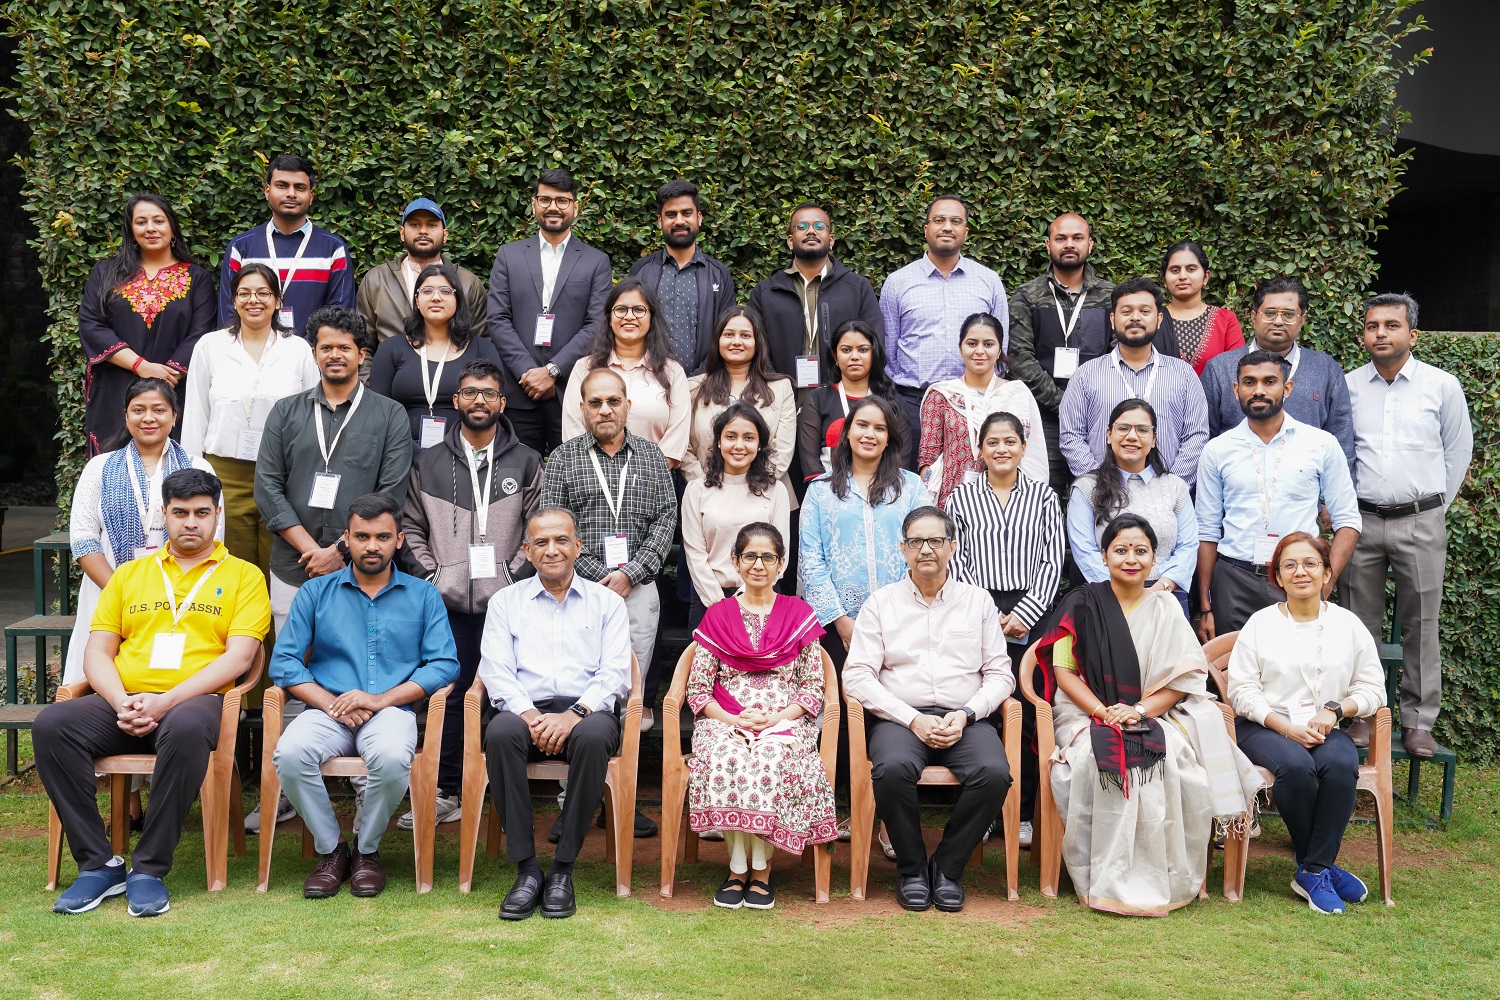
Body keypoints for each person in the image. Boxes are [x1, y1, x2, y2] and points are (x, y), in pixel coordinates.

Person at [36, 468, 270, 917]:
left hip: (197, 705)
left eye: (202, 513)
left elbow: (238, 660)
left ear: (217, 515)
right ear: (163, 514)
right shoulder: (129, 575)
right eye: (180, 513)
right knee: (52, 725)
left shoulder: (245, 577)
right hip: (125, 701)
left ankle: (147, 868)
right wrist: (121, 700)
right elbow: (97, 653)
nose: (190, 523)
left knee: (183, 728)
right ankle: (99, 864)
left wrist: (166, 700)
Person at [1036, 514, 1261, 917]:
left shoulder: (1167, 608)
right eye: (1120, 550)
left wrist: (1137, 710)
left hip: (1156, 710)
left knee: (1170, 761)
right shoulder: (1081, 603)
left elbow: (1183, 681)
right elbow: (1064, 673)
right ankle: (1102, 876)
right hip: (1086, 710)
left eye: (1141, 551)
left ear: (1154, 558)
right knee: (1091, 759)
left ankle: (1164, 875)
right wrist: (1103, 711)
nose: (1131, 558)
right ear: (1104, 556)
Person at [249, 306, 412, 831]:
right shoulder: (286, 411)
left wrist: (340, 550)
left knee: (366, 665)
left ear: (362, 355)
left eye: (346, 346)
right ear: (314, 352)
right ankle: (294, 788)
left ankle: (369, 787)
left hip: (364, 571)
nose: (335, 355)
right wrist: (309, 551)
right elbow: (267, 486)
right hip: (295, 568)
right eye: (326, 346)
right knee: (298, 674)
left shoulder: (387, 415)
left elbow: (392, 490)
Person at [269, 494, 458, 898]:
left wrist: (378, 700)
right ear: (347, 540)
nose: (372, 545)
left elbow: (444, 665)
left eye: (383, 536)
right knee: (290, 753)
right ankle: (333, 850)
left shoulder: (423, 596)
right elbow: (284, 663)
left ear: (399, 541)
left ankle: (367, 849)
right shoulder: (315, 593)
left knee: (391, 758)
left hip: (390, 710)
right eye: (362, 536)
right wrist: (328, 702)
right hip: (327, 709)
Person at [843, 506, 1014, 912]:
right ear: (902, 549)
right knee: (892, 769)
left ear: (952, 547)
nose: (926, 550)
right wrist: (912, 718)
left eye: (936, 541)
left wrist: (968, 714)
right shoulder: (880, 603)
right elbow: (857, 676)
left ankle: (948, 869)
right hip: (902, 718)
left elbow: (1000, 674)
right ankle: (913, 868)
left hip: (963, 718)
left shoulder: (978, 602)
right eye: (916, 542)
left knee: (994, 774)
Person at [399, 358, 542, 828]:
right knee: (451, 692)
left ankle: (506, 788)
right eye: (469, 393)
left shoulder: (526, 461)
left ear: (502, 403)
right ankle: (447, 789)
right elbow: (410, 527)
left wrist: (513, 579)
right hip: (447, 603)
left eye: (488, 393)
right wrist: (434, 577)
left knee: (510, 692)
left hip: (510, 602)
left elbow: (536, 528)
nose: (478, 400)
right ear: (455, 401)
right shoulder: (429, 462)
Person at [478, 507, 632, 920]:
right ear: (527, 551)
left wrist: (574, 714)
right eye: (541, 542)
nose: (552, 550)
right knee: (499, 734)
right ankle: (527, 870)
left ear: (578, 546)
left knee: (595, 736)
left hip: (587, 710)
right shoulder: (505, 602)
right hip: (525, 710)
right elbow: (496, 670)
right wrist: (531, 716)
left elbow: (615, 672)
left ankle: (562, 869)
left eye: (561, 540)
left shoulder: (607, 604)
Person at [1227, 532, 1387, 915]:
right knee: (1296, 767)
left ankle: (1313, 869)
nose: (1301, 572)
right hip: (1264, 726)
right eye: (1290, 565)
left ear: (1327, 572)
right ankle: (1321, 867)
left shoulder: (1348, 625)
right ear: (1278, 577)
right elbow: (1241, 691)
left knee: (1341, 764)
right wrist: (1282, 726)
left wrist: (1334, 709)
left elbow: (1373, 689)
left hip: (1324, 725)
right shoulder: (1260, 624)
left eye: (1311, 563)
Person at [1341, 293, 1472, 758]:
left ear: (1411, 335)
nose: (1381, 333)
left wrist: (1433, 507)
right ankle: (1359, 714)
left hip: (1421, 519)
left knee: (1423, 622)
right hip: (1362, 520)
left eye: (1391, 326)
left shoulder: (1442, 386)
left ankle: (1419, 722)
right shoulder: (1349, 386)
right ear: (1364, 335)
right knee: (1358, 623)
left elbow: (1458, 452)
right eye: (1373, 325)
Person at [688, 523, 837, 910]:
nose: (758, 564)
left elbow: (811, 687)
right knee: (728, 756)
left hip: (785, 719)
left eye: (767, 557)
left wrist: (777, 719)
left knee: (770, 758)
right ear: (735, 562)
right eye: (749, 556)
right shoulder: (717, 617)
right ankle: (738, 868)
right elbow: (698, 690)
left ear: (781, 564)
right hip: (724, 719)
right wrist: (733, 720)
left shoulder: (799, 614)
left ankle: (761, 868)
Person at [944, 411, 1063, 846]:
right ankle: (982, 814)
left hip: (1030, 612)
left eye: (1010, 441)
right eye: (992, 441)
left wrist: (1025, 613)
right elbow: (955, 556)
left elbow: (1053, 560)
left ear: (1023, 448)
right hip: (975, 607)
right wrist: (989, 613)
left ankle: (1025, 810)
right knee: (980, 707)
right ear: (979, 449)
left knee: (1029, 711)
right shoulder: (961, 496)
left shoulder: (1044, 497)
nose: (1001, 449)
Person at [542, 368, 676, 731]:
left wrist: (629, 573)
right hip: (578, 590)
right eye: (596, 403)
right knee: (578, 685)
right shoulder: (561, 459)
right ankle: (578, 776)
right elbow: (552, 528)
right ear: (583, 408)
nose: (605, 410)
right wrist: (599, 575)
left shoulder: (651, 456)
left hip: (639, 588)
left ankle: (622, 778)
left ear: (627, 406)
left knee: (629, 687)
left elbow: (666, 520)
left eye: (613, 401)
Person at [1196, 351, 1361, 639]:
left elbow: (1347, 520)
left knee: (1299, 674)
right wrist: (1206, 606)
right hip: (1234, 580)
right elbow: (1206, 531)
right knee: (1233, 674)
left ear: (1287, 388)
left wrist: (1324, 582)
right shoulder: (1217, 450)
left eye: (1269, 381)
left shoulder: (1321, 444)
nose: (1258, 390)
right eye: (1249, 382)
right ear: (1237, 390)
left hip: (1298, 579)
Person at [66, 378, 220, 686]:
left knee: (168, 679)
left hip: (179, 595)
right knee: (99, 680)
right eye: (139, 410)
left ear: (174, 416)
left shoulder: (198, 467)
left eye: (158, 410)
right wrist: (121, 592)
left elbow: (212, 536)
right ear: (126, 416)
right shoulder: (99, 467)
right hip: (107, 589)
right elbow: (83, 538)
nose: (148, 418)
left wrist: (158, 594)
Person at [181, 263, 319, 574]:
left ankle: (278, 626)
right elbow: (195, 414)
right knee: (230, 569)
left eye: (263, 293)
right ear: (233, 300)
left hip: (284, 476)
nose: (253, 300)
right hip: (224, 476)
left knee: (281, 568)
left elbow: (313, 416)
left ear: (278, 300)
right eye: (244, 293)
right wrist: (192, 478)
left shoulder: (298, 350)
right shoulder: (210, 346)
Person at [486, 168, 613, 456]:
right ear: (534, 204)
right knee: (513, 476)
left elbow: (597, 324)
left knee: (573, 478)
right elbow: (497, 318)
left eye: (562, 200)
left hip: (570, 391)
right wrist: (528, 373)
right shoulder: (509, 255)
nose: (553, 207)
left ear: (575, 207)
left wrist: (553, 371)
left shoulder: (596, 261)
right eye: (545, 199)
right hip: (519, 392)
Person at [78, 193, 215, 456]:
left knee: (173, 474)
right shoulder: (106, 273)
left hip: (175, 388)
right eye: (141, 222)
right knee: (113, 465)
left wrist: (164, 377)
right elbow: (91, 324)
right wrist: (141, 366)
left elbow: (201, 333)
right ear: (131, 230)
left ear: (172, 227)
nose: (150, 228)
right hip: (116, 386)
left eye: (158, 221)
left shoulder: (196, 278)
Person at [799, 395, 931, 665]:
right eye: (862, 425)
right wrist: (840, 621)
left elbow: (927, 550)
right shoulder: (819, 491)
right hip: (839, 626)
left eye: (880, 428)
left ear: (889, 438)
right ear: (847, 433)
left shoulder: (912, 488)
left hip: (906, 621)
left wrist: (905, 614)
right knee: (846, 703)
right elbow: (811, 561)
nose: (870, 434)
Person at [880, 195, 1009, 466]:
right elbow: (887, 349)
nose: (947, 227)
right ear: (926, 228)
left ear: (965, 230)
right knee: (913, 484)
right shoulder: (898, 282)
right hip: (913, 405)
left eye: (955, 221)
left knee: (973, 483)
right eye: (939, 220)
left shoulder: (989, 281)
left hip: (975, 402)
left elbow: (1000, 347)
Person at [1058, 277, 1210, 486]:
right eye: (1126, 311)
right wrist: (1099, 484)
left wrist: (1170, 487)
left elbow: (1196, 435)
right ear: (1113, 319)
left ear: (1159, 319)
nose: (1135, 318)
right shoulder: (1086, 375)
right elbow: (1071, 435)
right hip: (1102, 499)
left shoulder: (1183, 374)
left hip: (1167, 501)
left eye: (1145, 311)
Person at [1200, 276, 1354, 467]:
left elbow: (1342, 443)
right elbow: (1204, 439)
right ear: (1254, 317)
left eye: (1289, 315)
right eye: (1270, 313)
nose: (1278, 321)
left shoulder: (1325, 369)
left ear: (1302, 320)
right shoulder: (1220, 368)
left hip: (1308, 493)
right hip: (1237, 491)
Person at [1068, 400, 1197, 616]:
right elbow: (1084, 551)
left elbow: (1189, 546)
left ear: (1154, 438)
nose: (1132, 436)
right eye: (1123, 428)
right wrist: (1122, 593)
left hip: (1167, 598)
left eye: (1142, 430)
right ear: (1109, 434)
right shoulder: (1087, 488)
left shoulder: (1175, 486)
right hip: (1108, 600)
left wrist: (1159, 589)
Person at [746, 202, 882, 393]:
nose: (811, 231)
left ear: (831, 240)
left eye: (819, 226)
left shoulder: (858, 288)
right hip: (780, 400)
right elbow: (754, 348)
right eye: (802, 227)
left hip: (843, 401)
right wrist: (775, 388)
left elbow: (874, 345)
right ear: (790, 241)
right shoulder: (766, 291)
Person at [368, 261, 504, 449]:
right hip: (399, 452)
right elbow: (378, 414)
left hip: (465, 452)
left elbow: (493, 409)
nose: (436, 297)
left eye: (446, 291)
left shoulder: (482, 350)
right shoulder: (391, 349)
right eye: (427, 291)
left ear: (458, 299)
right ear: (417, 300)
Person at [917, 312, 1047, 506]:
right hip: (950, 504)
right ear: (960, 349)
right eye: (971, 343)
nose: (979, 351)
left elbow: (1031, 456)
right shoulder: (941, 394)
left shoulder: (1017, 394)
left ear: (999, 349)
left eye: (988, 344)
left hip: (1007, 504)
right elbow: (928, 457)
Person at [218, 155, 356, 334]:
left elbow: (339, 316)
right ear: (267, 191)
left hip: (311, 358)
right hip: (250, 357)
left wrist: (304, 354)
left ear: (311, 196)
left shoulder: (333, 249)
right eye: (282, 186)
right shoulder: (241, 247)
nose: (291, 193)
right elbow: (229, 313)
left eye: (300, 187)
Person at [682, 404, 792, 627]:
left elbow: (782, 554)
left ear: (759, 444)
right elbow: (695, 553)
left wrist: (744, 598)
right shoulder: (697, 490)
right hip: (708, 601)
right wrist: (719, 604)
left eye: (749, 438)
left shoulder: (776, 490)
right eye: (731, 436)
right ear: (719, 441)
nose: (739, 445)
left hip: (763, 598)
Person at [560, 278, 690, 466]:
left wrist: (640, 479)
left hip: (652, 483)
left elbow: (675, 440)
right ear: (609, 318)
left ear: (652, 317)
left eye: (639, 310)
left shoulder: (672, 372)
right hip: (593, 481)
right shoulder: (584, 368)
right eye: (621, 309)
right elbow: (573, 433)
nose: (629, 316)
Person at [355, 198, 487, 365]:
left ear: (445, 234)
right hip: (388, 386)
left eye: (432, 225)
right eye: (415, 225)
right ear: (402, 233)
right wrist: (372, 388)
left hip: (452, 385)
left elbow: (482, 347)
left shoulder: (468, 283)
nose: (423, 231)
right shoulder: (376, 280)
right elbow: (361, 345)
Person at [680, 306, 797, 492]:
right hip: (706, 495)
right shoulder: (691, 388)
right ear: (717, 340)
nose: (736, 342)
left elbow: (782, 450)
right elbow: (683, 448)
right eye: (729, 334)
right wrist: (708, 485)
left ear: (757, 342)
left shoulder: (781, 388)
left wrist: (750, 488)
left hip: (766, 495)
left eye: (745, 335)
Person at [628, 179, 736, 375]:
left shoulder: (719, 275)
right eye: (671, 215)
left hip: (705, 385)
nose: (679, 221)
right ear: (660, 221)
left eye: (686, 213)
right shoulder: (641, 271)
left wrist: (700, 379)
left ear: (699, 218)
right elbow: (628, 330)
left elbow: (726, 335)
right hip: (648, 382)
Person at [795, 320, 900, 484]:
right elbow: (810, 461)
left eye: (863, 350)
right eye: (846, 350)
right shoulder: (817, 399)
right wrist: (826, 495)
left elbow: (901, 457)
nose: (855, 357)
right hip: (829, 495)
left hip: (883, 493)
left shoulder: (892, 400)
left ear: (874, 354)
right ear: (835, 356)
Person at [1154, 240, 1244, 375]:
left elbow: (1237, 371)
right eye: (1175, 270)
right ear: (1164, 279)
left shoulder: (1225, 320)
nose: (1182, 276)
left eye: (1191, 269)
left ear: (1205, 277)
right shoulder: (1152, 319)